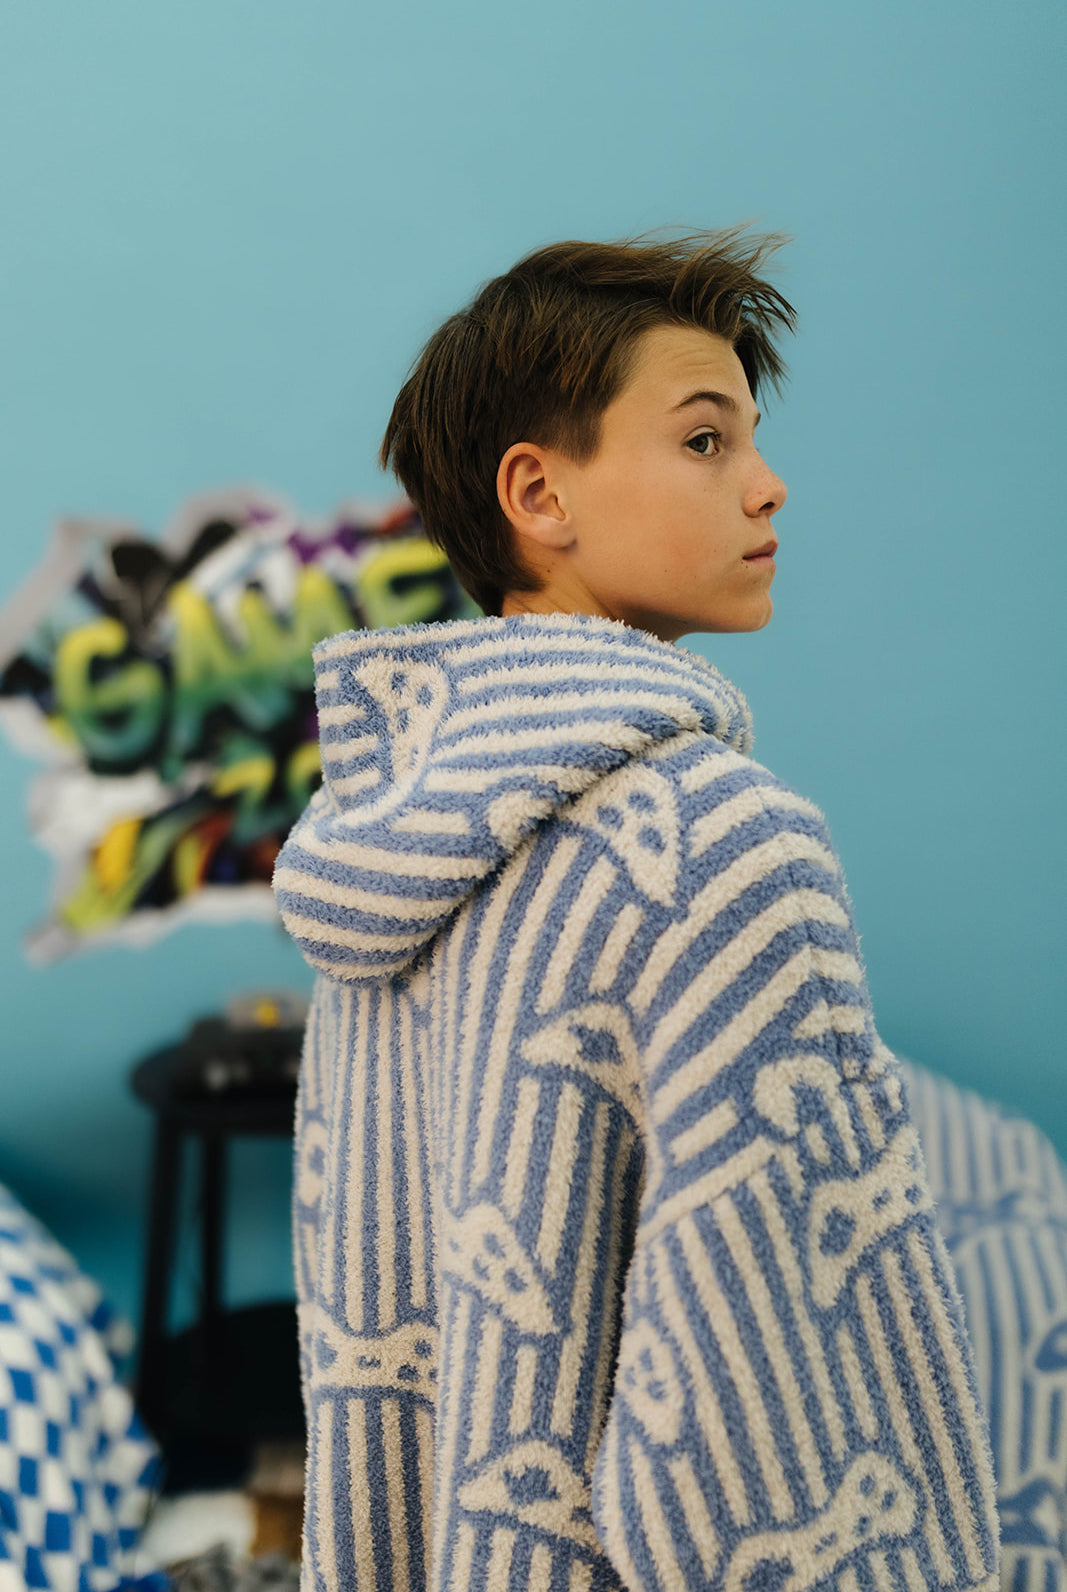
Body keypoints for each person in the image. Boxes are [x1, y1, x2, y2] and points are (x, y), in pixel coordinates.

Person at [273, 229, 1001, 1591]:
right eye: (708, 441)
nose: (770, 488)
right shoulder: (731, 846)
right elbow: (781, 1431)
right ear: (539, 494)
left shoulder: (379, 873)